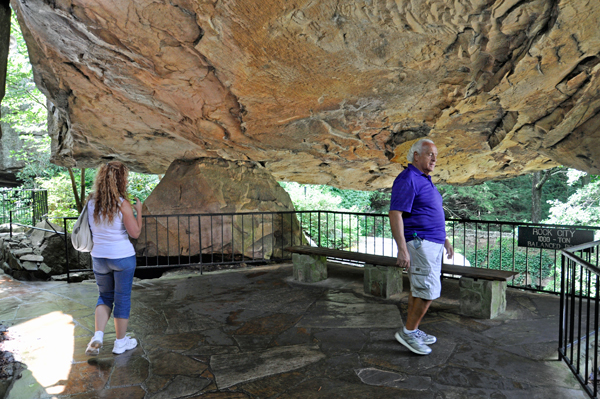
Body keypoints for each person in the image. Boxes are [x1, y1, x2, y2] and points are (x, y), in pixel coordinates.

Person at [389, 138, 454, 355]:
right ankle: (408, 332)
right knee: (428, 291)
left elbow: (429, 212)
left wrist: (445, 239)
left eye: (436, 155)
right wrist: (402, 249)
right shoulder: (408, 178)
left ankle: (412, 329)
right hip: (420, 242)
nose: (434, 159)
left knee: (420, 288)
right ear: (416, 155)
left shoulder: (425, 179)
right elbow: (395, 213)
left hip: (432, 242)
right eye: (429, 154)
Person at [85, 161, 143, 356]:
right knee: (122, 299)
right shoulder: (122, 204)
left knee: (104, 296)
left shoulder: (91, 202)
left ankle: (98, 336)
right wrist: (139, 212)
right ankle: (120, 342)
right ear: (121, 180)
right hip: (122, 257)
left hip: (99, 258)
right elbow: (135, 233)